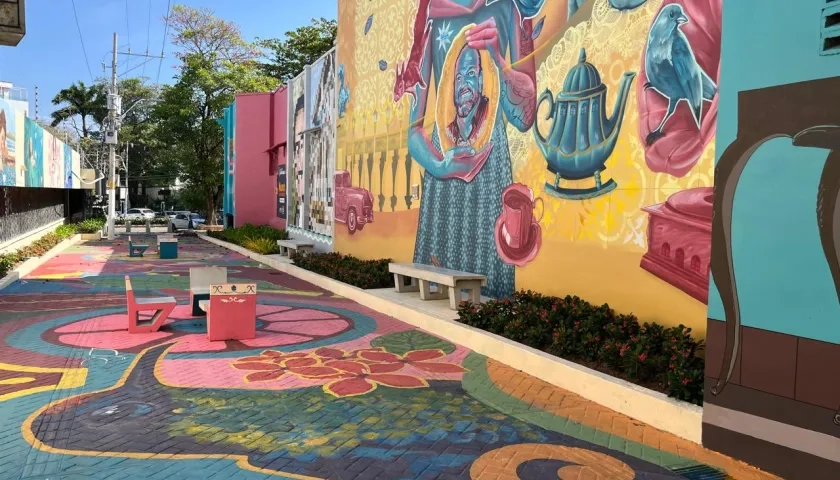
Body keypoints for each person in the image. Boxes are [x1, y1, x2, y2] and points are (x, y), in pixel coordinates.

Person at [404, 0, 538, 299]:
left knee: (494, 298)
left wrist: (500, 62)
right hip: (443, 182)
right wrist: (439, 165)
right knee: (434, 293)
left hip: (491, 177)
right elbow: (413, 131)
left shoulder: (511, 9)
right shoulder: (430, 17)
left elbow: (525, 118)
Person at [445, 46, 490, 148]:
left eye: (470, 73)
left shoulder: (491, 121)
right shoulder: (446, 133)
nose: (463, 83)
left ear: (480, 80)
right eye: (459, 77)